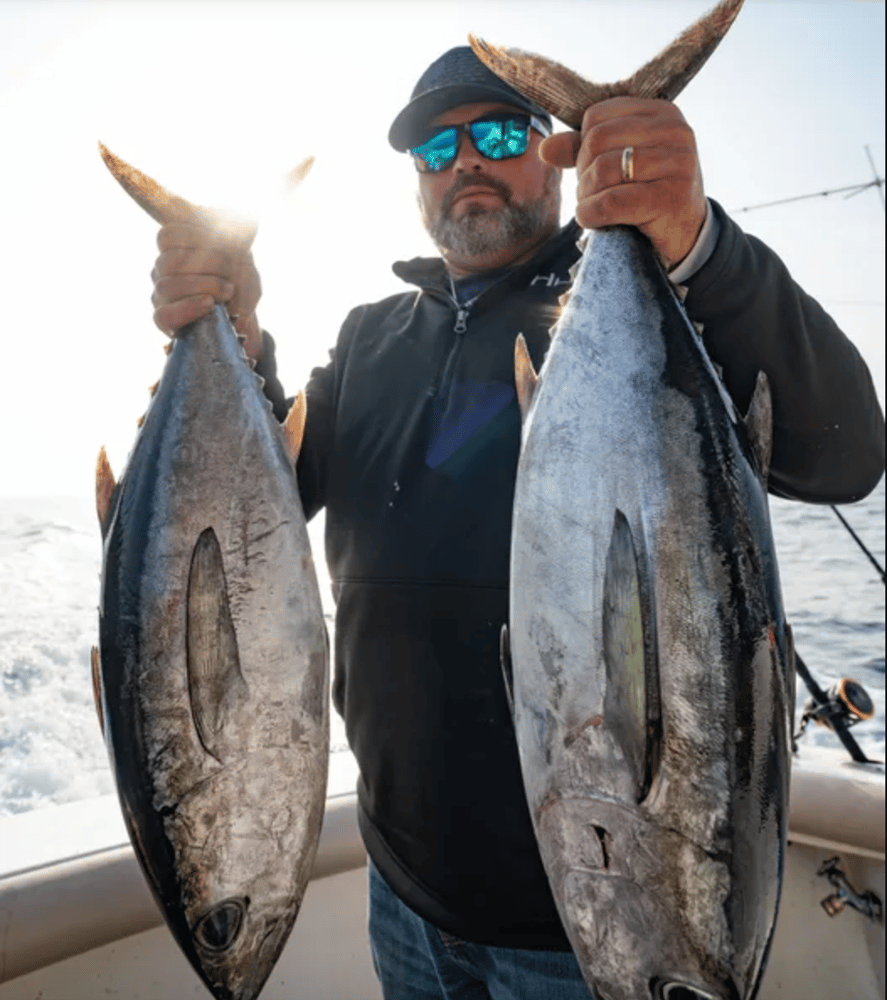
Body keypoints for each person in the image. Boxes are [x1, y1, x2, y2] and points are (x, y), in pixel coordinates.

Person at [149, 46, 885, 1000]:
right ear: (416, 182)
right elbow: (256, 522)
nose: (466, 161)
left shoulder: (666, 304)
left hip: (595, 909)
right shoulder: (370, 339)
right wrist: (235, 337)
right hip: (403, 891)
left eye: (498, 132)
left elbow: (844, 454)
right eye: (433, 148)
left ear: (557, 150)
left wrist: (696, 244)